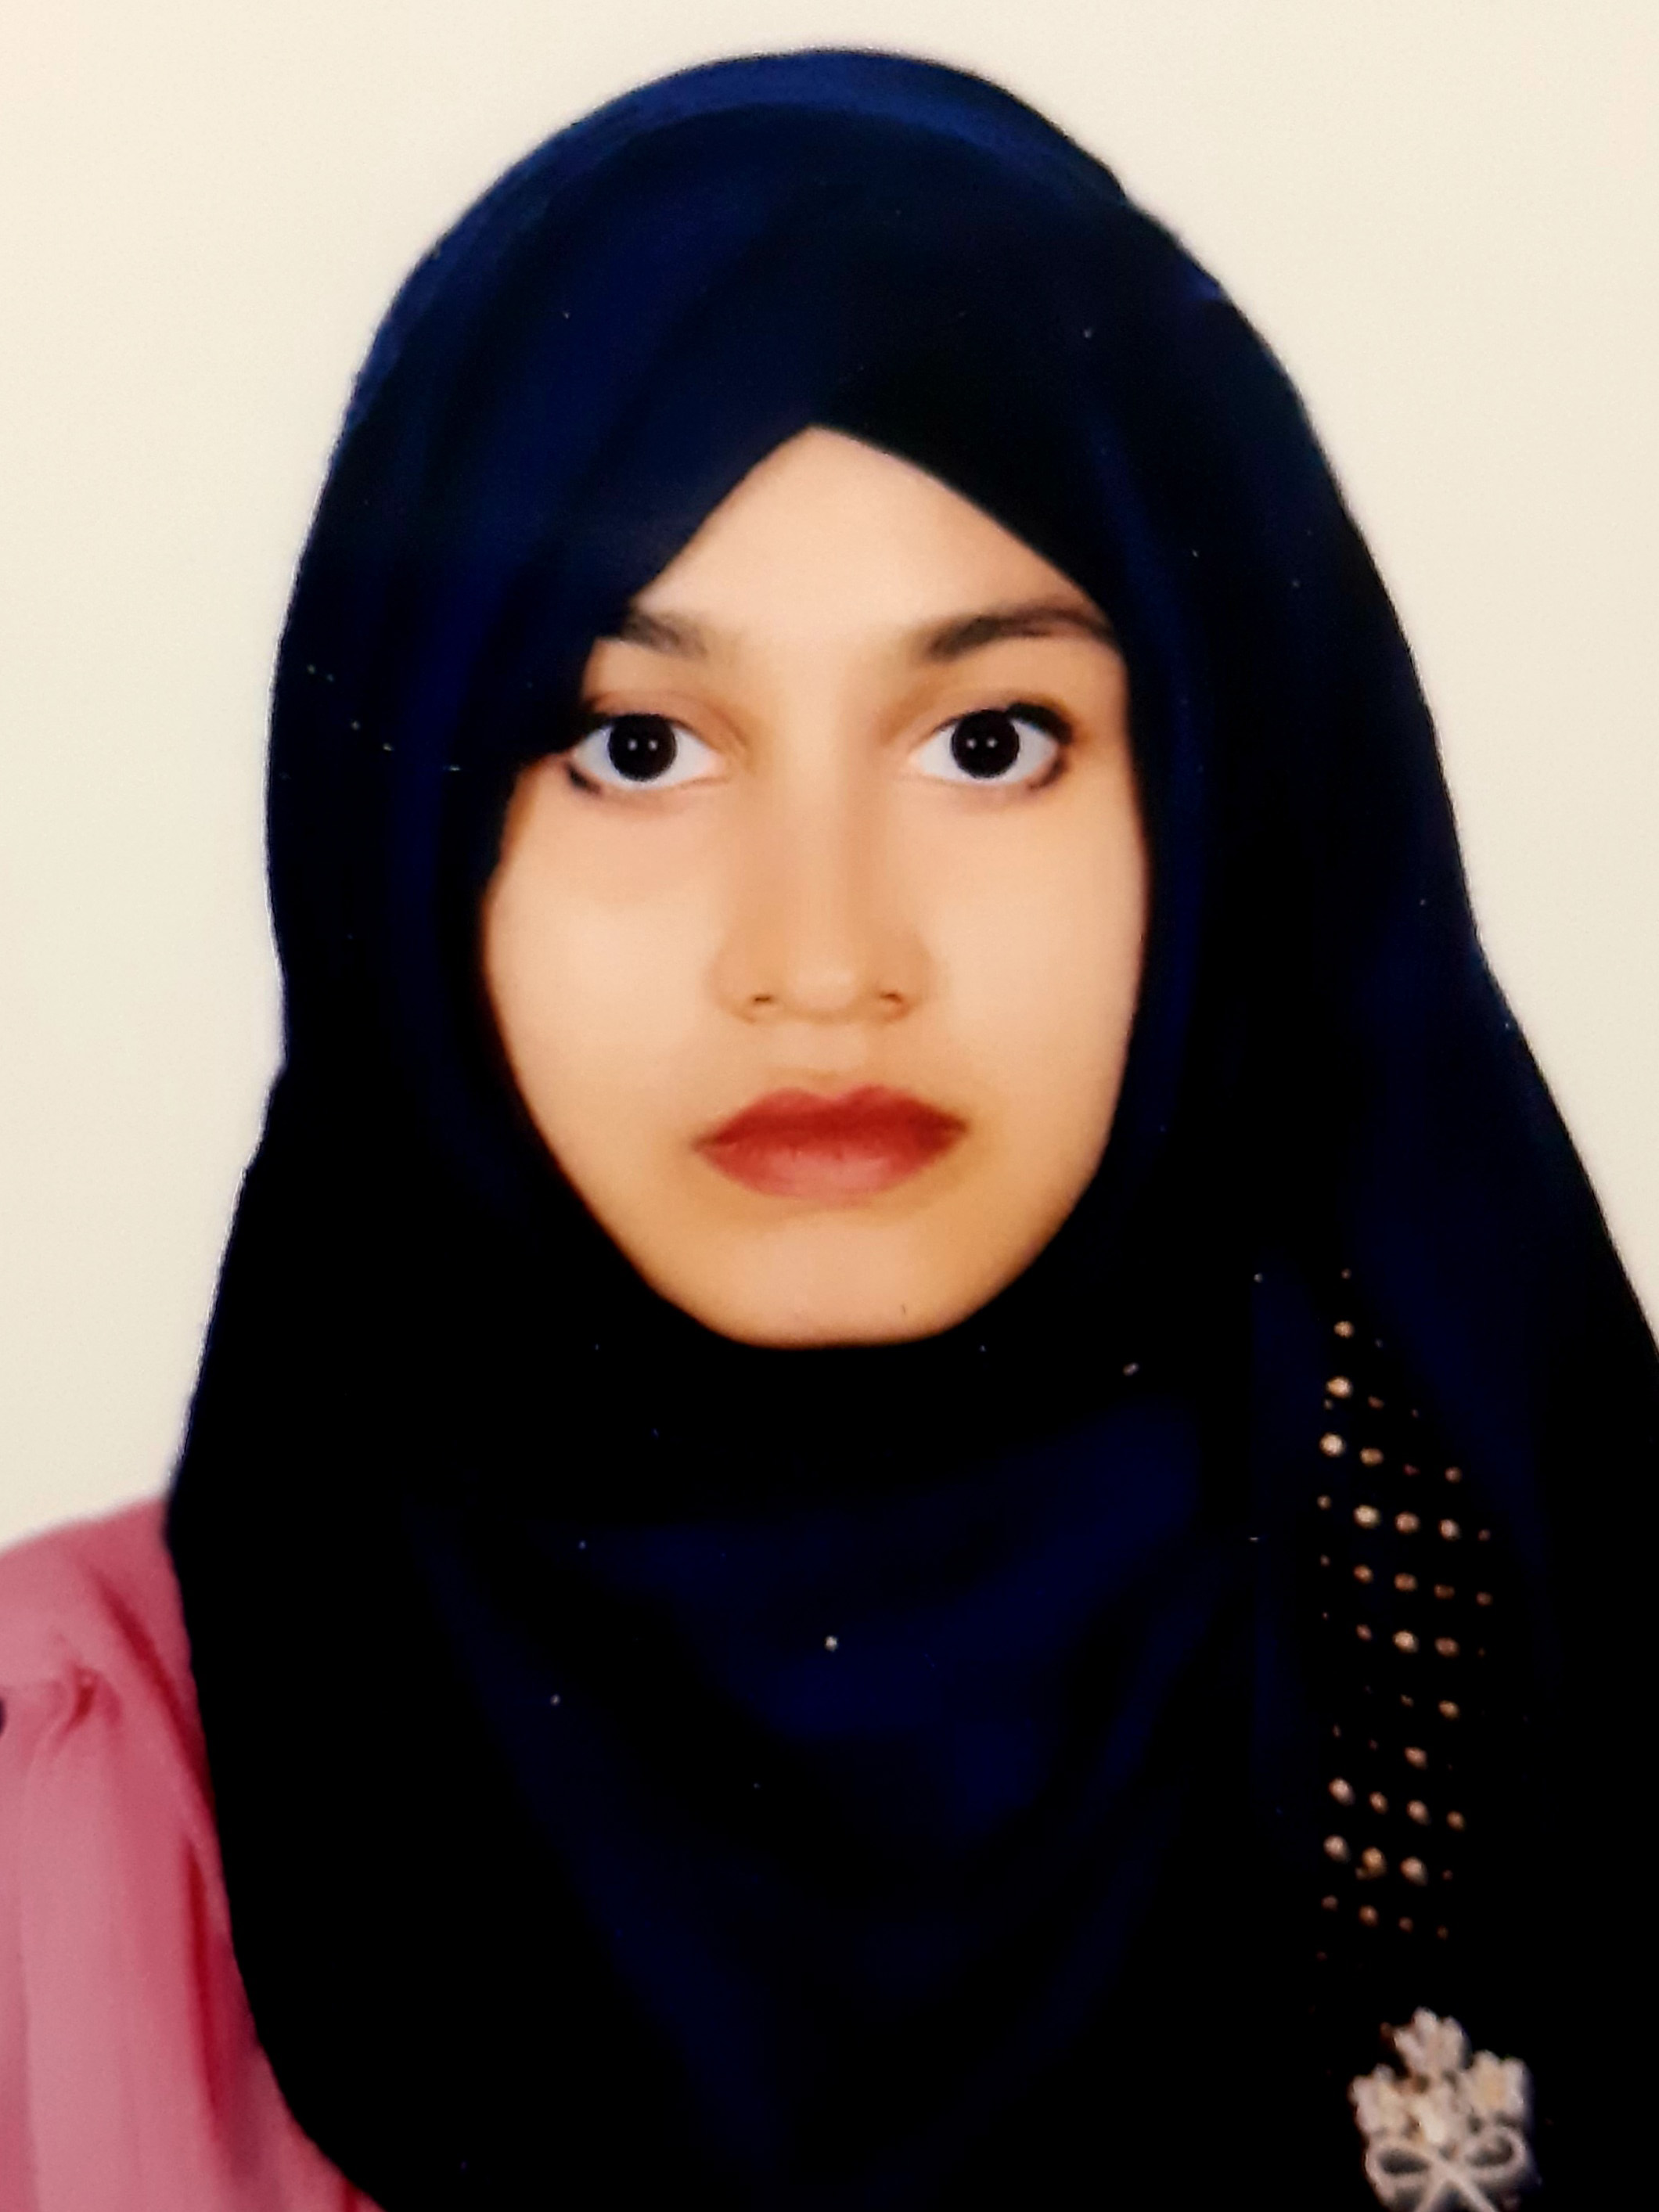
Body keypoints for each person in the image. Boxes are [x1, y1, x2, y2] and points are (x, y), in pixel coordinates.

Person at [1, 49, 1650, 2211]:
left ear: (1230, 806)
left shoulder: (1506, 1684)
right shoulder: (68, 1816)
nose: (822, 957)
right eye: (636, 746)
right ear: (402, 841)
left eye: (991, 739)